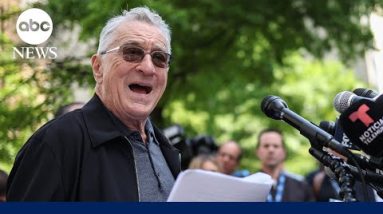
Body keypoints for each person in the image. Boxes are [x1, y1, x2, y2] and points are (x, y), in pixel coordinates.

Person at [7, 7, 180, 201]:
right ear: (98, 68)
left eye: (159, 58)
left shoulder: (167, 149)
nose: (148, 68)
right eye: (132, 52)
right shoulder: (56, 143)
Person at [255, 128, 314, 202]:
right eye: (266, 146)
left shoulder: (301, 186)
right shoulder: (247, 184)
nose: (271, 150)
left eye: (276, 146)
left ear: (284, 152)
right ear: (257, 151)